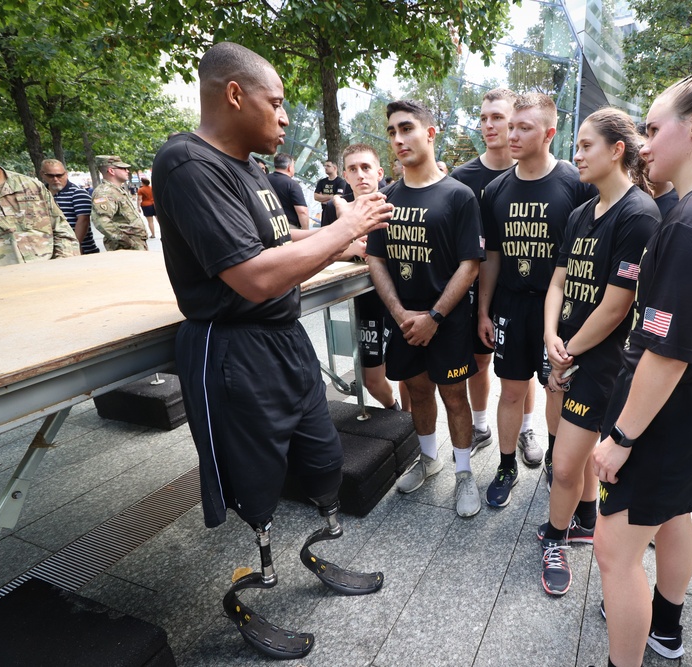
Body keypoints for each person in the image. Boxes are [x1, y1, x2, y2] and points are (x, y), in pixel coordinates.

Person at [151, 42, 392, 659]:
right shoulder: (186, 162)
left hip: (283, 339)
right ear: (235, 94)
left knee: (319, 457)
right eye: (276, 103)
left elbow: (279, 238)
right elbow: (254, 275)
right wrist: (345, 227)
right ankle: (253, 578)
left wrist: (344, 243)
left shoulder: (252, 167)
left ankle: (313, 547)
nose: (285, 117)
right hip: (233, 349)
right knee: (255, 484)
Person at [592, 64, 692, 666]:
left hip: (669, 413)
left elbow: (664, 353)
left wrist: (620, 437)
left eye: (652, 128)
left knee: (613, 550)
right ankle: (665, 627)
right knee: (674, 518)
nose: (641, 142)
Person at [537, 108, 656, 596]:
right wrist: (550, 336)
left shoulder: (639, 214)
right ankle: (583, 520)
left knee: (564, 465)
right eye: (577, 144)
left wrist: (566, 353)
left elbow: (616, 306)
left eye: (586, 145)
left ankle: (554, 537)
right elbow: (559, 280)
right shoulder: (581, 213)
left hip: (601, 362)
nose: (576, 154)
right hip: (567, 350)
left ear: (617, 150)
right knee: (573, 457)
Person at [366, 99, 484, 517]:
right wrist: (400, 314)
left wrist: (434, 317)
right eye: (392, 132)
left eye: (407, 129)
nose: (398, 140)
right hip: (402, 320)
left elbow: (470, 265)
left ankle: (465, 472)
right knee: (417, 392)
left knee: (455, 396)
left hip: (446, 322)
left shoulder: (459, 196)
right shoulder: (385, 198)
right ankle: (430, 459)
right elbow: (376, 258)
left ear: (430, 133)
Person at [478, 93, 595, 508]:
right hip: (511, 305)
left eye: (523, 127)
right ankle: (506, 465)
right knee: (511, 391)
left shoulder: (576, 185)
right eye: (511, 126)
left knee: (555, 388)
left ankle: (553, 460)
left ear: (549, 133)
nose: (511, 134)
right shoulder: (495, 190)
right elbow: (491, 256)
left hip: (558, 310)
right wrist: (484, 312)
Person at [449, 88, 519, 459]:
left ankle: (524, 429)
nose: (489, 125)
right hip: (476, 287)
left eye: (498, 117)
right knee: (479, 361)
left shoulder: (534, 171)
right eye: (484, 118)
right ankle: (480, 427)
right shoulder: (463, 177)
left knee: (517, 365)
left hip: (523, 287)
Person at [322, 142, 399, 409]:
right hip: (364, 300)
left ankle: (413, 425)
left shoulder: (396, 201)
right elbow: (322, 249)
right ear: (345, 175)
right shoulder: (335, 209)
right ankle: (395, 411)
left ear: (379, 173)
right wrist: (349, 248)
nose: (360, 174)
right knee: (372, 379)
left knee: (411, 375)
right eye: (353, 169)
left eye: (366, 167)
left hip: (402, 297)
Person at [0, 143, 78, 266]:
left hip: (52, 272)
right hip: (3, 280)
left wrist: (62, 264)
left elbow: (62, 229)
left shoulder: (31, 186)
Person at [41, 158, 100, 255]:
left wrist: (75, 246)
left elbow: (83, 221)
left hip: (80, 250)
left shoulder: (78, 194)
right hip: (50, 251)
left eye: (59, 175)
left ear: (66, 173)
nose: (55, 179)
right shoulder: (39, 195)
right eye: (51, 176)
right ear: (42, 174)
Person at [91, 155, 149, 251]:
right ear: (111, 171)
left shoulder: (116, 190)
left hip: (133, 245)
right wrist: (126, 240)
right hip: (124, 247)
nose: (127, 171)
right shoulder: (105, 192)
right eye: (123, 168)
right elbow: (101, 222)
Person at [268, 153, 310, 230]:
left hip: (265, 224)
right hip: (287, 227)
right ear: (289, 168)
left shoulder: (264, 179)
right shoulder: (292, 184)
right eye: (293, 166)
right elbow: (302, 211)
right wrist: (305, 231)